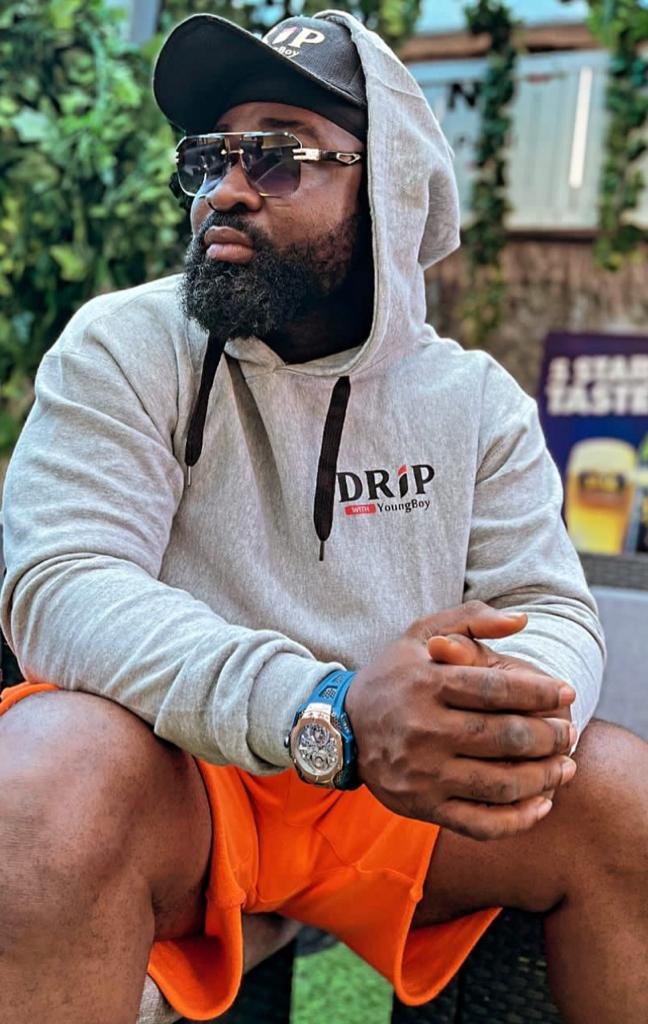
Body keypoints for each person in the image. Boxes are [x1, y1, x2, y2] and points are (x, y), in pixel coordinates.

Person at [0, 10, 646, 1023]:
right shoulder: (124, 345)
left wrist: (479, 708)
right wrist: (329, 710)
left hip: (400, 795)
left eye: (278, 155)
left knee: (624, 797)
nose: (226, 188)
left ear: (386, 187)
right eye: (210, 156)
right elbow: (64, 582)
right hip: (184, 781)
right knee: (50, 770)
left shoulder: (474, 401)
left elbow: (548, 605)